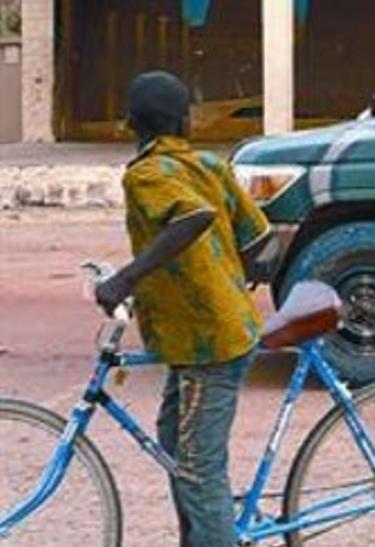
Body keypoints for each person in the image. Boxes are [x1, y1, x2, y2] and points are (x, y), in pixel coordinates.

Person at [94, 71, 273, 547]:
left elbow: (194, 216)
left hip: (209, 342)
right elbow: (259, 236)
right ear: (186, 121)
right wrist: (225, 282)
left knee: (197, 470)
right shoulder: (209, 164)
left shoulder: (146, 173)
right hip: (211, 331)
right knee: (174, 444)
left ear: (131, 123)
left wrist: (125, 278)